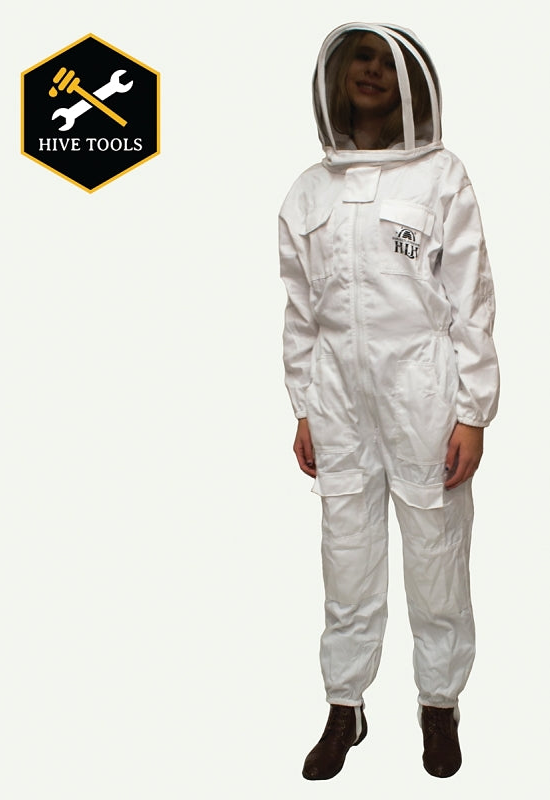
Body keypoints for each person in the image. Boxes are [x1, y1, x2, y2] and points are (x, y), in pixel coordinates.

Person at [279, 23, 499, 780]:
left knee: (436, 555)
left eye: (383, 62)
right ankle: (345, 706)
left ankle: (439, 704)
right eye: (360, 61)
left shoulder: (440, 176)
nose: (371, 72)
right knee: (345, 557)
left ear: (409, 83)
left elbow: (470, 296)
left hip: (422, 394)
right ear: (336, 78)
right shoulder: (308, 191)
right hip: (338, 401)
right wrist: (303, 404)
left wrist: (472, 411)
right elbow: (300, 310)